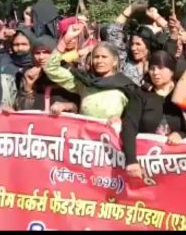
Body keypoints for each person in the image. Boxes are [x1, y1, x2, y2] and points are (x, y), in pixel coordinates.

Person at [43, 22, 144, 178]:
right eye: (96, 57)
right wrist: (66, 40)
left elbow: (135, 120)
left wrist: (121, 120)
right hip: (84, 151)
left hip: (112, 154)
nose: (99, 60)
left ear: (115, 61)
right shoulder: (84, 82)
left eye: (104, 57)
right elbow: (51, 68)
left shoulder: (127, 87)